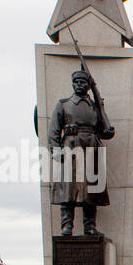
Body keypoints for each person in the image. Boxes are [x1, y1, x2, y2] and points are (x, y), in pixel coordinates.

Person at [47, 69, 113, 236]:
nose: (78, 85)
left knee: (91, 190)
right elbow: (54, 130)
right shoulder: (63, 104)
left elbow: (103, 129)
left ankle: (89, 226)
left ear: (88, 86)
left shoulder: (96, 107)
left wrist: (108, 131)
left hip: (92, 146)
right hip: (71, 147)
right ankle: (66, 225)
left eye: (82, 82)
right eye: (76, 82)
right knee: (68, 189)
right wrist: (55, 150)